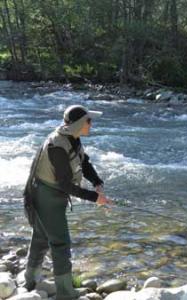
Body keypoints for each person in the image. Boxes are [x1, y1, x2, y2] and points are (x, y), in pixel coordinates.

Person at [23, 105, 112, 300]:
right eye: (89, 121)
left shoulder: (73, 138)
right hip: (46, 195)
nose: (91, 124)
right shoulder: (57, 146)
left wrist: (97, 182)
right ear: (80, 123)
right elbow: (65, 184)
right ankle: (65, 292)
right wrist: (95, 198)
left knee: (41, 236)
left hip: (50, 192)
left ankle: (30, 280)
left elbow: (84, 162)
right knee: (60, 242)